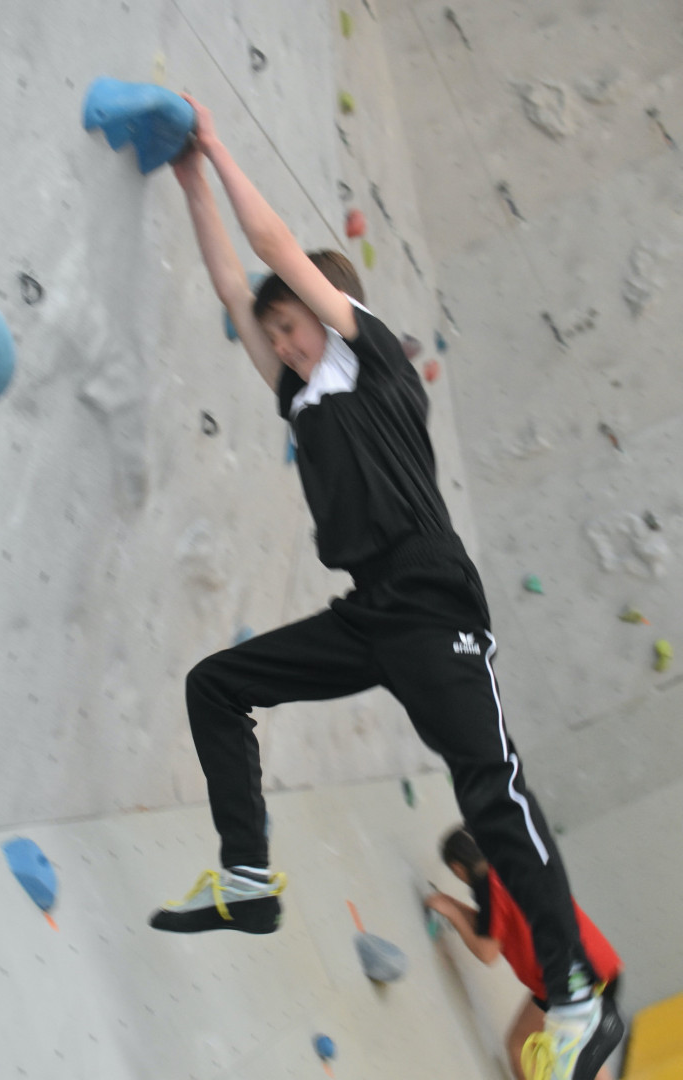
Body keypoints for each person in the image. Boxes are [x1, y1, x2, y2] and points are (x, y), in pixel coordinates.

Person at [147, 94, 624, 1079]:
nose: (284, 344)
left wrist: (219, 150)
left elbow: (270, 249)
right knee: (216, 685)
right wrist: (190, 184)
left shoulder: (378, 361)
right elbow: (234, 286)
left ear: (330, 309)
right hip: (368, 612)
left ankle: (577, 998)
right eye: (277, 336)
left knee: (493, 795)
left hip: (434, 601)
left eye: (295, 325)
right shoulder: (300, 395)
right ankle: (247, 875)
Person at [426, 826, 623, 1080]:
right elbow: (494, 928)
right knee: (580, 1053)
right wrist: (452, 905)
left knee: (520, 1046)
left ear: (458, 869)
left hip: (568, 980)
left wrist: (451, 911)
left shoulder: (490, 888)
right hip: (601, 964)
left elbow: (487, 952)